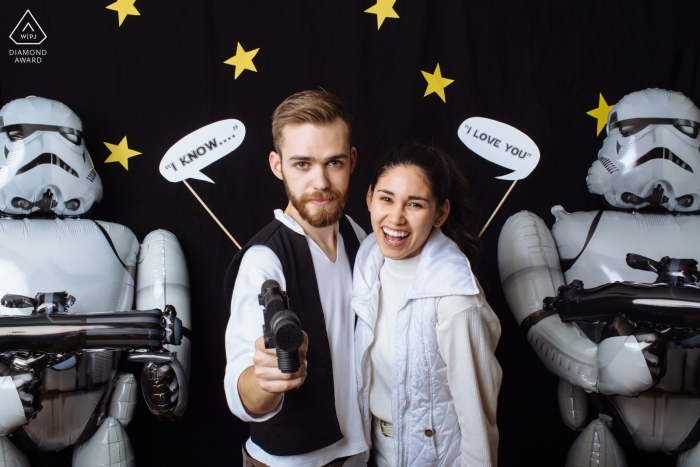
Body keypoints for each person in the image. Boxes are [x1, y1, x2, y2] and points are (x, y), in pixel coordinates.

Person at [223, 90, 369, 467]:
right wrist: (266, 380)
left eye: (333, 162)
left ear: (351, 161)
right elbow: (241, 392)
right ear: (278, 165)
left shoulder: (357, 233)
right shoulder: (262, 260)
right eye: (302, 164)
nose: (320, 181)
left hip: (361, 451)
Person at [353, 143, 502, 466]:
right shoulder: (366, 264)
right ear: (369, 198)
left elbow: (478, 422)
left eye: (415, 204)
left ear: (440, 213)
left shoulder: (456, 300)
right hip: (374, 450)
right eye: (386, 198)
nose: (396, 218)